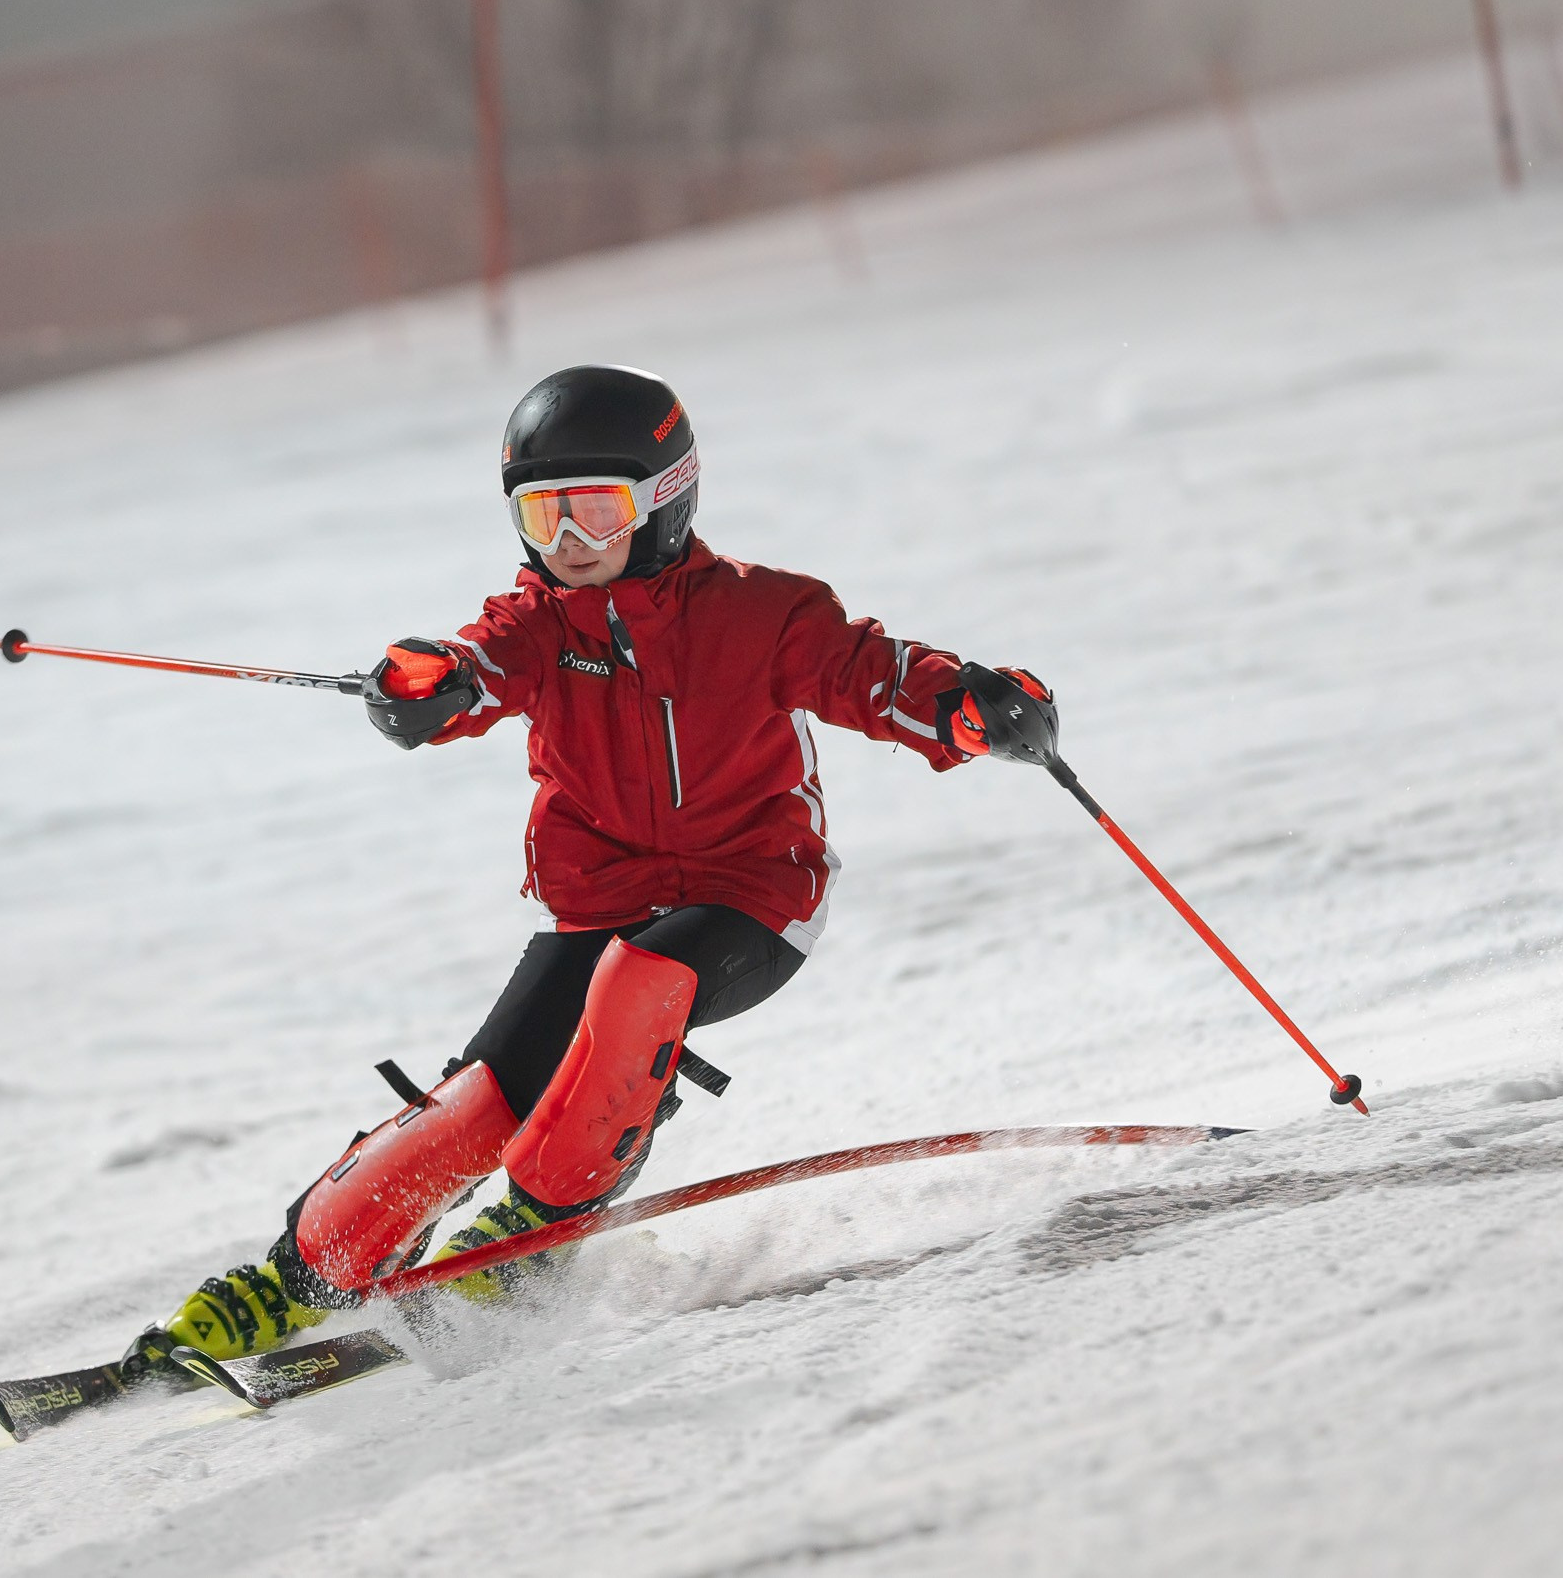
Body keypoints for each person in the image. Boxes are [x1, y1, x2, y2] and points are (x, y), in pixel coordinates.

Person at [115, 363, 1051, 1379]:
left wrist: (966, 705)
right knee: (473, 1107)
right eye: (544, 518)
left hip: (749, 898)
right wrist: (426, 686)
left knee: (641, 985)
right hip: (598, 906)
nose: (570, 546)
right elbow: (474, 666)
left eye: (598, 516)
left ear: (665, 502)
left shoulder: (762, 614)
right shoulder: (538, 625)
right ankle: (288, 1283)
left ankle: (526, 1234)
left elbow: (873, 675)